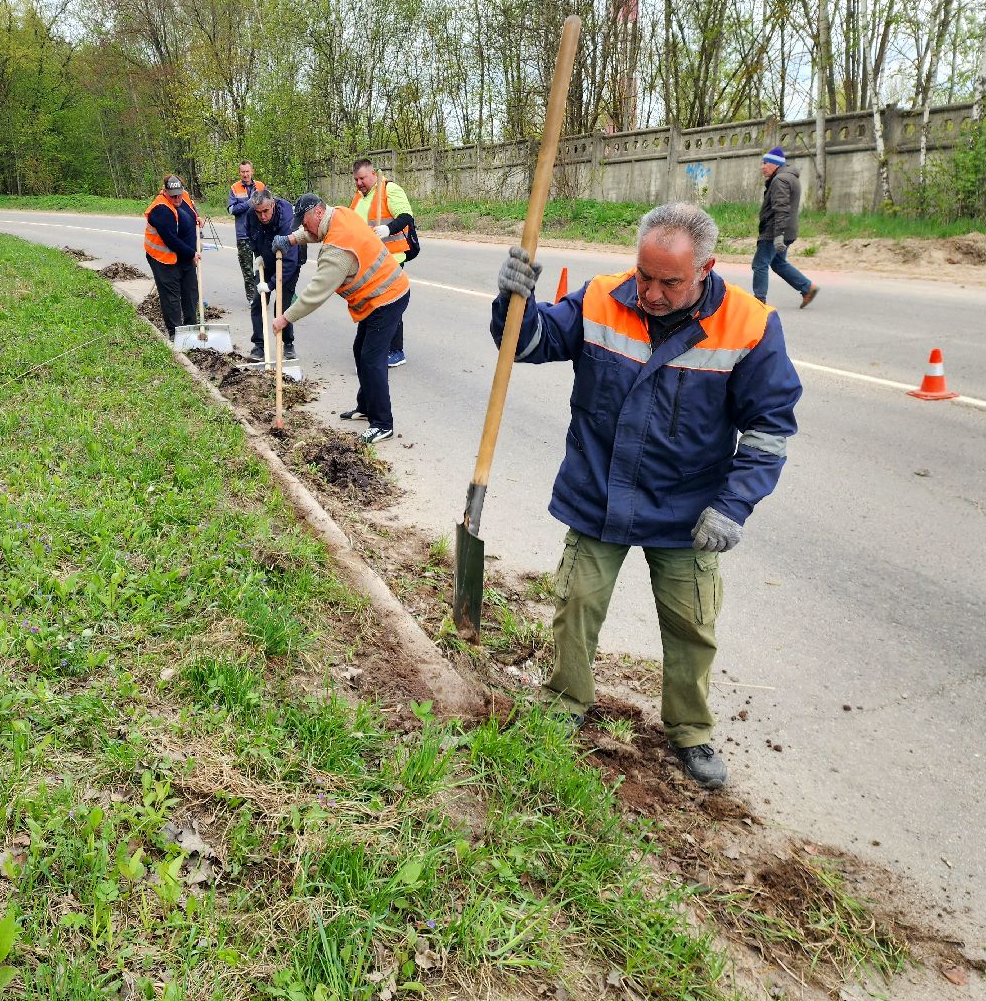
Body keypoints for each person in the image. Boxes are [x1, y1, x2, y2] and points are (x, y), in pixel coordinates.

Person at [491, 202, 802, 790]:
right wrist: (514, 303)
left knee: (691, 624)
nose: (652, 293)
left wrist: (734, 506)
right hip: (601, 490)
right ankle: (565, 704)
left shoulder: (750, 325)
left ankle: (690, 729)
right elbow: (530, 344)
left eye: (669, 281)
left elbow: (769, 428)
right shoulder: (602, 297)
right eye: (645, 275)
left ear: (705, 270)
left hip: (689, 508)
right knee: (576, 604)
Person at [271, 193, 408, 444]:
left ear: (319, 213)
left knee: (371, 359)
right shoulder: (339, 214)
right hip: (378, 296)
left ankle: (382, 423)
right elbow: (315, 233)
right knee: (360, 351)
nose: (303, 227)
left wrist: (284, 319)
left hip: (387, 297)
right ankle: (366, 406)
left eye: (304, 221)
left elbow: (315, 293)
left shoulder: (338, 250)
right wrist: (290, 240)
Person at [349, 159, 415, 368]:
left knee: (390, 303)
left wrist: (389, 229)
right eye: (356, 179)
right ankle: (380, 346)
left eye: (362, 178)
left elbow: (406, 216)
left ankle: (396, 350)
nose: (359, 183)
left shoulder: (389, 190)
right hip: (369, 262)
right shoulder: (359, 198)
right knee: (374, 305)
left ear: (372, 175)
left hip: (391, 259)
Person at [753, 147, 819, 308]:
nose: (762, 167)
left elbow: (781, 208)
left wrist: (778, 234)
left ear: (775, 164)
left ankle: (758, 302)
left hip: (775, 230)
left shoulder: (780, 180)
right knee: (778, 263)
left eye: (765, 163)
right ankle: (807, 288)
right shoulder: (788, 177)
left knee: (760, 263)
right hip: (787, 229)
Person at [246, 187, 301, 361]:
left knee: (283, 304)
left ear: (273, 205)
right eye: (258, 212)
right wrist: (258, 254)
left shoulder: (287, 219)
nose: (262, 216)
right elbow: (251, 235)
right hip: (267, 259)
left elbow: (290, 261)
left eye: (265, 211)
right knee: (258, 301)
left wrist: (270, 285)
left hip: (289, 264)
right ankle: (259, 346)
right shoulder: (251, 215)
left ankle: (288, 343)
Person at [143, 174, 201, 336]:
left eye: (179, 194)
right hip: (163, 259)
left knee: (190, 293)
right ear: (165, 192)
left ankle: (192, 331)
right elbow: (171, 240)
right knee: (172, 298)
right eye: (173, 196)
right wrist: (192, 253)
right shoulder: (160, 209)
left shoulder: (184, 196)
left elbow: (190, 210)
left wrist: (197, 217)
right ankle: (176, 334)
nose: (177, 199)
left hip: (185, 256)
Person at [228, 161, 263, 311]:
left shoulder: (260, 186)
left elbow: (269, 204)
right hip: (243, 235)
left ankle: (262, 295)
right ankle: (252, 298)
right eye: (243, 172)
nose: (245, 174)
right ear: (239, 173)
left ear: (252, 171)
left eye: (247, 171)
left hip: (260, 234)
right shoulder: (234, 188)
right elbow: (231, 209)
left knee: (263, 267)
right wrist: (248, 203)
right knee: (247, 269)